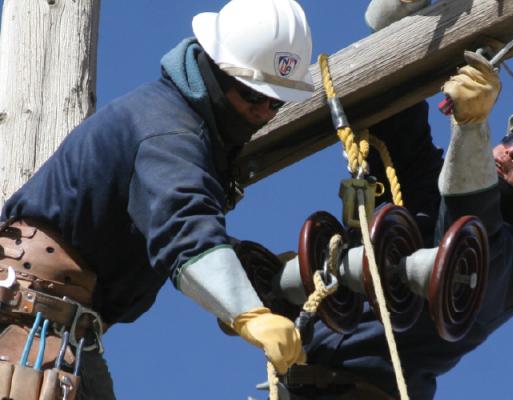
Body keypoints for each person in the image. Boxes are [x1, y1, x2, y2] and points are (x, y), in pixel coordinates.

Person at [0, 0, 314, 398]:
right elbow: (183, 223)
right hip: (31, 318)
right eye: (252, 94)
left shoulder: (190, 133)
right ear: (215, 70)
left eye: (277, 101)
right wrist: (247, 314)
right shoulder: (168, 129)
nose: (263, 113)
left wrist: (258, 276)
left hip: (67, 327)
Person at [280, 32, 513, 400]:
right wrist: (405, 21)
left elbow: (469, 237)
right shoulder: (430, 186)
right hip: (299, 381)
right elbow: (396, 121)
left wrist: (470, 129)